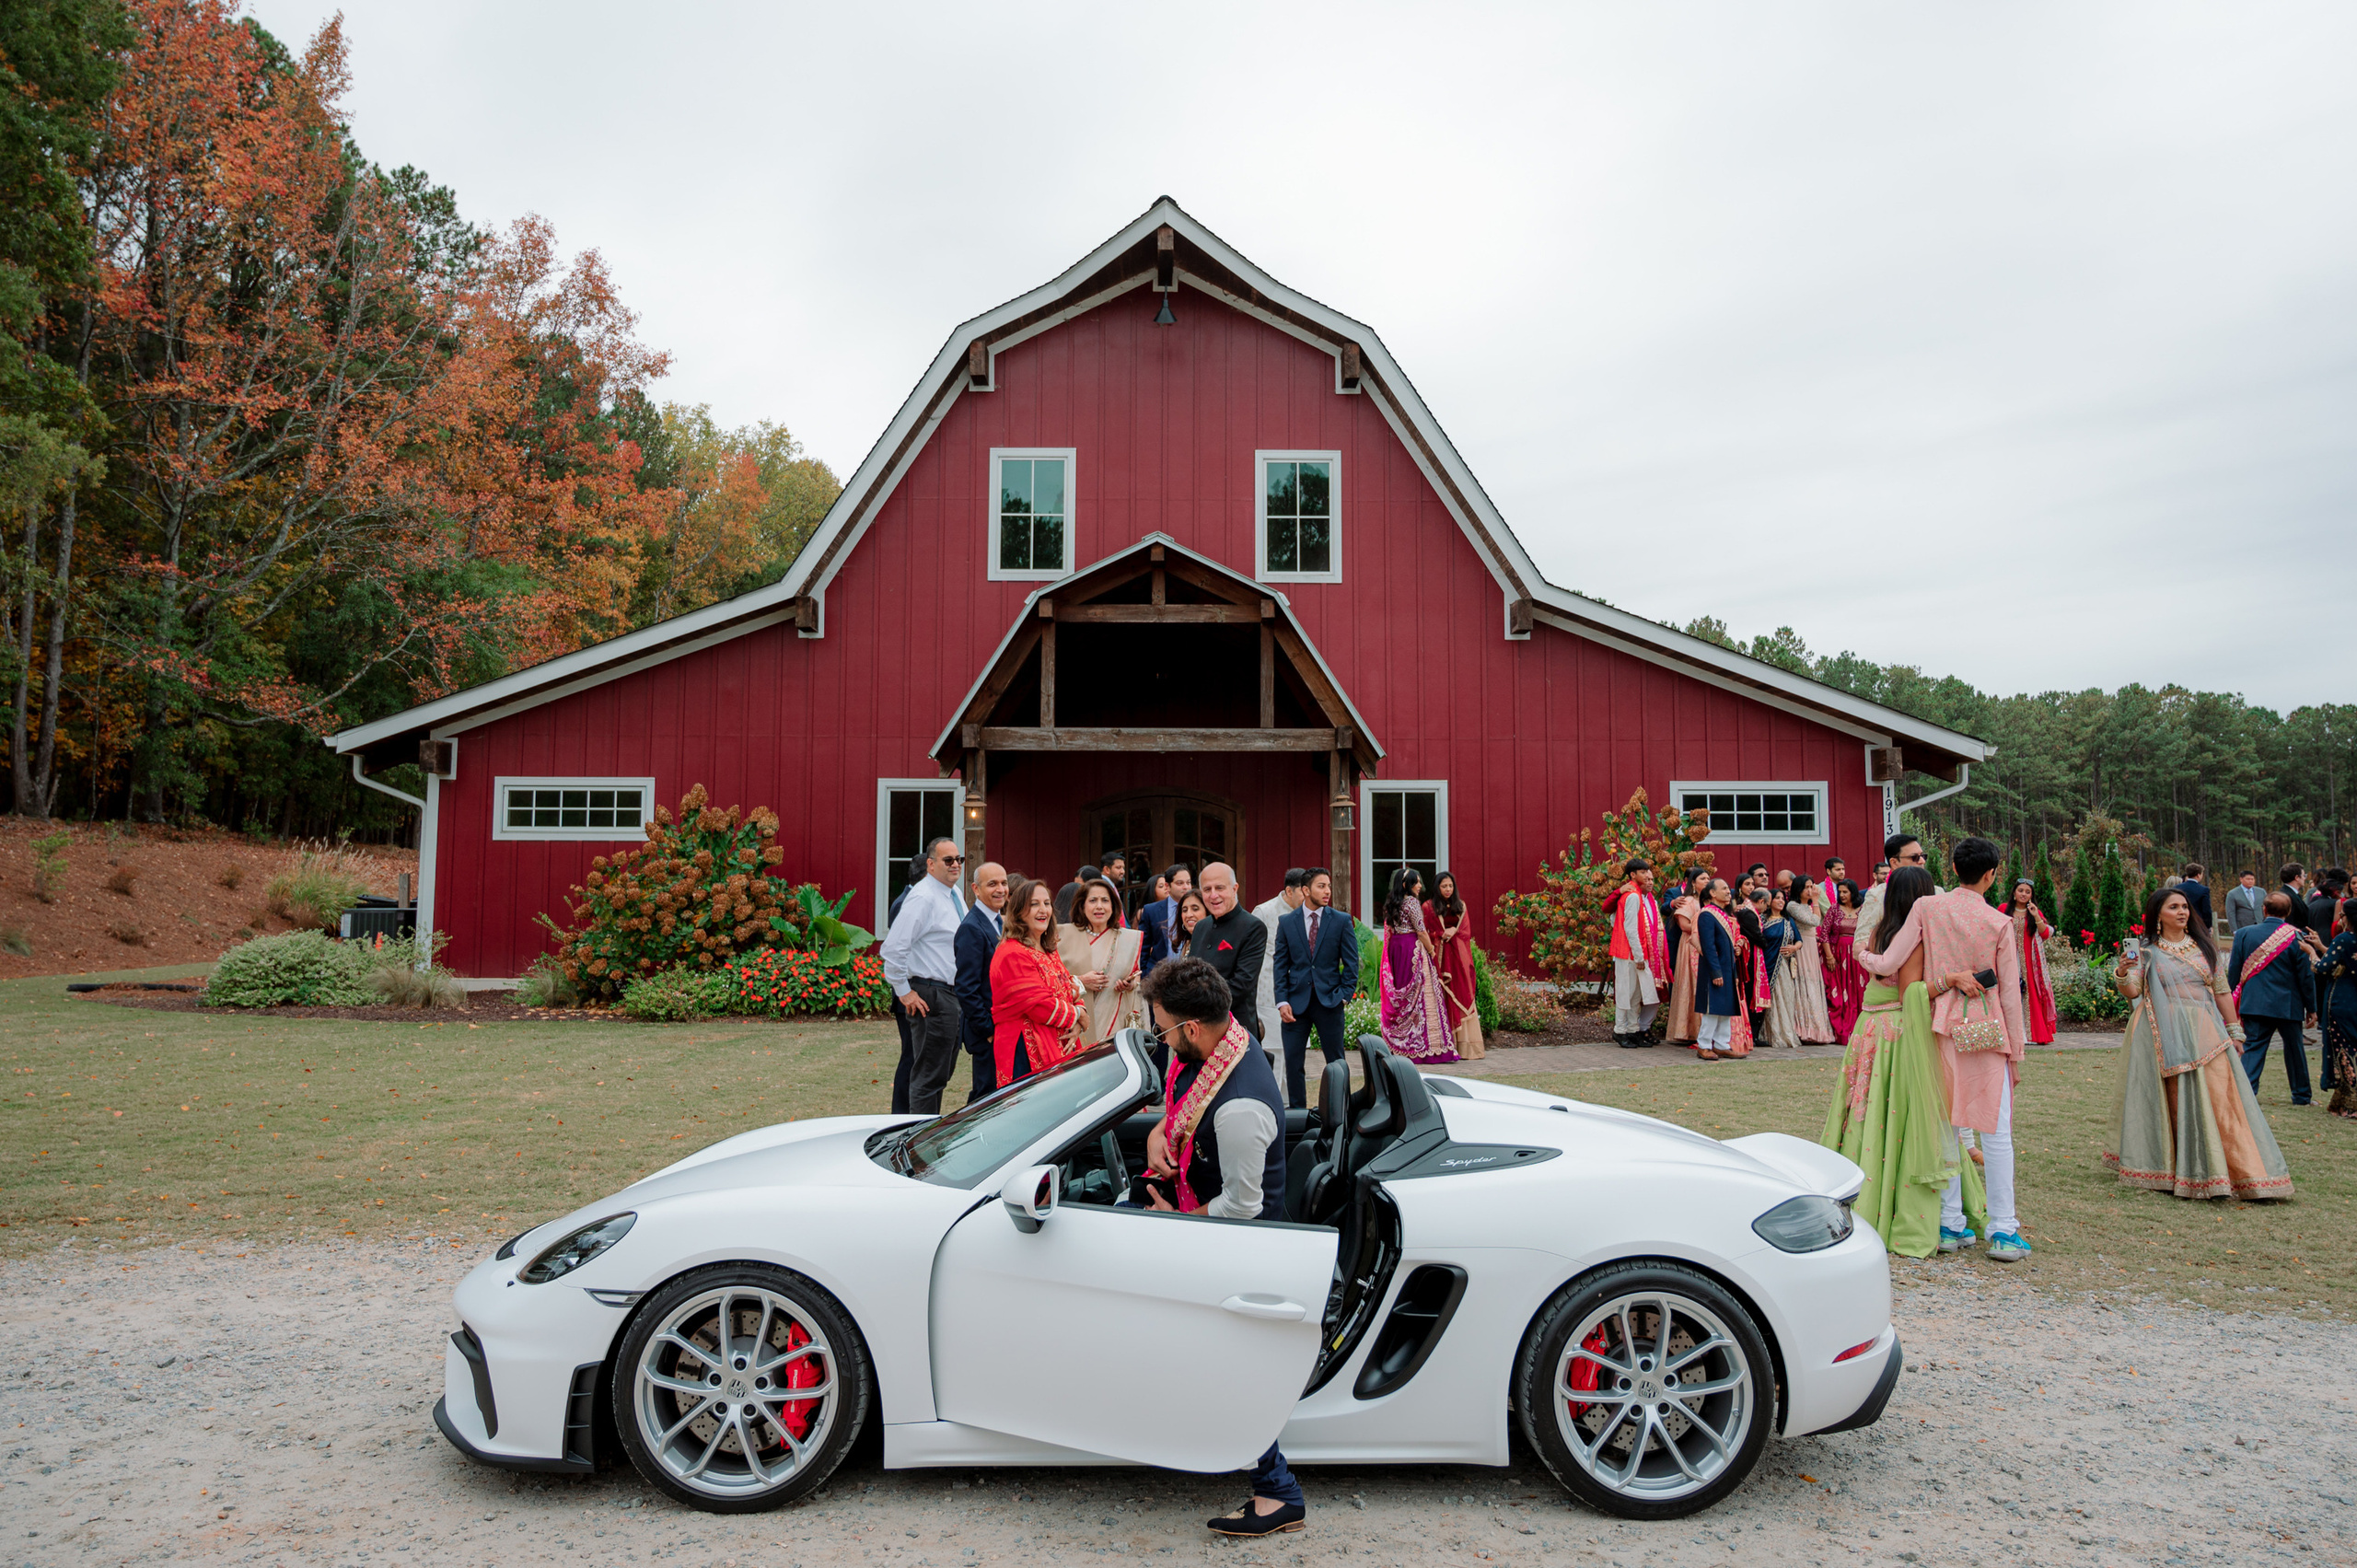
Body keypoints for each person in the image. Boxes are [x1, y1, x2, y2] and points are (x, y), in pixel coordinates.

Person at [1136, 958, 1302, 1538]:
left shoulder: (1238, 1108)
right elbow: (1184, 1106)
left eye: (1163, 1029)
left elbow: (1242, 1206)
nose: (1161, 1039)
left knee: (1226, 1365)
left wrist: (1172, 1219)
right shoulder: (1227, 1043)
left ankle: (1277, 1492)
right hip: (1208, 1221)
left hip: (1239, 1245)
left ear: (1193, 1029)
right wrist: (1161, 1132)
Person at [1858, 837, 2031, 1262]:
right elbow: (2010, 994)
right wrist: (2017, 1052)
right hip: (1987, 1029)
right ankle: (2004, 1230)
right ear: (1992, 875)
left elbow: (1889, 963)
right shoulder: (1999, 923)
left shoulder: (1927, 908)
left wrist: (1863, 954)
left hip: (1938, 1027)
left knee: (1946, 1126)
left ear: (1952, 869)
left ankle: (1950, 1222)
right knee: (1996, 1132)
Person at [2105, 884, 2293, 1201]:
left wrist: (2234, 1032)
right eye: (2174, 907)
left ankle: (2237, 1171)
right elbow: (2134, 992)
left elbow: (2221, 992)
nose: (2181, 912)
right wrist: (2123, 972)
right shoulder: (2147, 951)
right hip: (2159, 1031)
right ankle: (2172, 1169)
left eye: (2184, 907)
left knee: (2221, 1096)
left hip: (2205, 1028)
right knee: (2173, 1098)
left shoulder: (2205, 948)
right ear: (2158, 916)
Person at [1819, 864, 1968, 1257]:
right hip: (1896, 1032)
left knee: (1866, 1108)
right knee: (1899, 1112)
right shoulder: (1916, 937)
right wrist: (1948, 982)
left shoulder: (1879, 931)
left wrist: (1868, 959)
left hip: (1868, 1027)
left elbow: (1875, 967)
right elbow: (1911, 992)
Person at [879, 836, 968, 1115]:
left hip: (951, 995)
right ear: (930, 865)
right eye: (948, 860)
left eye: (959, 860)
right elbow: (893, 948)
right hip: (932, 994)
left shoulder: (953, 895)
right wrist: (904, 991)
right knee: (928, 1077)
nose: (956, 865)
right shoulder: (923, 897)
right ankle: (918, 1144)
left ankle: (926, 1136)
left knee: (940, 1073)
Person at [1274, 867, 1359, 1108]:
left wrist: (1345, 995)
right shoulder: (1287, 922)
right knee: (1293, 1062)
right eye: (1321, 886)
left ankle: (1342, 1111)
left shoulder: (1341, 921)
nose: (1327, 891)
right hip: (1295, 1005)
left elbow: (1351, 962)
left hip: (1330, 1001)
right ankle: (1299, 1115)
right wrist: (1282, 1001)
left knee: (1336, 1062)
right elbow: (1280, 964)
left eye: (1329, 886)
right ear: (1305, 890)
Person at [989, 876, 1084, 1086]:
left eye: (1046, 903)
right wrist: (1077, 1015)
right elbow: (1040, 1005)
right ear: (1019, 912)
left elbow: (1070, 986)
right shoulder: (1011, 953)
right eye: (1034, 904)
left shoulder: (1048, 949)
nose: (1043, 910)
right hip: (1025, 1046)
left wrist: (1079, 1017)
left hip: (1059, 1041)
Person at [2228, 891, 2318, 1107]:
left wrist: (2230, 1001)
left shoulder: (2243, 934)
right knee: (2295, 1051)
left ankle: (2246, 1093)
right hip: (2288, 1004)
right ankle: (2302, 1096)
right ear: (2288, 912)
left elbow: (2234, 972)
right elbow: (2305, 977)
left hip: (2254, 1002)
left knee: (2253, 1048)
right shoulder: (2297, 936)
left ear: (2264, 910)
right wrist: (2311, 1008)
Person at [1377, 866, 1458, 1064]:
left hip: (1396, 948)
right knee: (1420, 995)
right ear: (1406, 885)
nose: (1421, 885)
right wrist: (1431, 951)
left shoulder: (1391, 904)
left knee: (1402, 994)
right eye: (1417, 882)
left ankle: (1398, 1044)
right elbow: (1421, 931)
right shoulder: (1412, 903)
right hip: (1411, 948)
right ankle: (1429, 1047)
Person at [1058, 877, 1145, 1046]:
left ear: (1113, 906)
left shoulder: (1128, 939)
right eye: (1093, 900)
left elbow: (1136, 977)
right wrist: (1080, 981)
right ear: (1082, 906)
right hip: (1075, 1026)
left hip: (1115, 1025)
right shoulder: (1064, 936)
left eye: (1105, 900)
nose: (1099, 906)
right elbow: (1052, 982)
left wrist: (1129, 985)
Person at [1189, 863, 1267, 1043]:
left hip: (1235, 1030)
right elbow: (1191, 974)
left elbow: (1241, 985)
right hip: (1199, 1030)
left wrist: (1196, 1003)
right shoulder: (1201, 926)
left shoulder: (1252, 927)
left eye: (1220, 888)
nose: (1213, 895)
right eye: (1207, 889)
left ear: (1234, 889)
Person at [953, 861, 1008, 1099]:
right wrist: (988, 1030)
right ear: (976, 889)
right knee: (985, 1097)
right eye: (992, 884)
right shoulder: (971, 928)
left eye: (1004, 883)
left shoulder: (1000, 921)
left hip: (1004, 1027)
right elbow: (966, 988)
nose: (1001, 889)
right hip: (988, 1033)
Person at [885, 850, 930, 1114]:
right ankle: (901, 1113)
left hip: (913, 993)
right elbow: (898, 952)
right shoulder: (908, 903)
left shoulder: (909, 898)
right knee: (912, 1058)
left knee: (914, 1057)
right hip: (909, 995)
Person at [1251, 870, 1309, 1071]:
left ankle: (1292, 1102)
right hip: (1269, 991)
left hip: (1299, 991)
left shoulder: (1309, 913)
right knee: (1273, 1051)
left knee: (1294, 1055)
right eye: (1303, 892)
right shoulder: (1264, 912)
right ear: (1289, 891)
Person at [1608, 858, 1668, 1049]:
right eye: (1643, 873)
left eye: (1648, 873)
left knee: (1635, 994)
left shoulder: (1637, 896)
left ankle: (1633, 1029)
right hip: (1628, 953)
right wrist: (1639, 955)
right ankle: (1620, 1030)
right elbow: (1631, 928)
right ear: (1633, 875)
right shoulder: (1633, 896)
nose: (1648, 877)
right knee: (1626, 993)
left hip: (1632, 952)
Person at [1769, 877, 1835, 1047]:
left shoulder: (1808, 905)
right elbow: (1814, 921)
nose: (1810, 890)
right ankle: (1802, 1029)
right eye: (1806, 887)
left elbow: (1816, 922)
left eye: (1811, 887)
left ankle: (1817, 1029)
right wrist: (1816, 901)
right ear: (1798, 889)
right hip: (1802, 947)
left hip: (1812, 945)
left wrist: (1814, 902)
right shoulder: (1793, 906)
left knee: (1813, 983)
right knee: (1803, 984)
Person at [1426, 871, 1484, 1059]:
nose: (1448, 889)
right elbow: (1425, 932)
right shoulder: (1428, 907)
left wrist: (1453, 931)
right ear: (1437, 887)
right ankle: (1446, 1047)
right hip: (1440, 961)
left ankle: (1466, 1047)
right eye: (1444, 886)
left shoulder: (1461, 906)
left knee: (1462, 993)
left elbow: (1465, 933)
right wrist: (1441, 935)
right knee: (1443, 999)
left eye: (1450, 886)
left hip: (1458, 961)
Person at [2000, 877, 2059, 1046]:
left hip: (2029, 960)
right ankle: (2011, 1034)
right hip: (2007, 957)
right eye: (2021, 891)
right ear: (2014, 892)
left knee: (2030, 993)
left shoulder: (2034, 911)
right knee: (2009, 993)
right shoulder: (2004, 909)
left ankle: (2030, 1035)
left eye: (2027, 892)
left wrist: (2035, 915)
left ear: (2032, 895)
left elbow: (2046, 934)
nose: (2023, 894)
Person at [1694, 877, 1746, 1061]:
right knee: (1712, 1008)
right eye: (1723, 888)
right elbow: (1708, 946)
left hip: (1727, 967)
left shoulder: (1722, 913)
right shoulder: (1707, 914)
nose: (1728, 891)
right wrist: (1715, 971)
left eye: (1727, 888)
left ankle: (1723, 1044)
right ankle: (1704, 1045)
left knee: (1725, 1008)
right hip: (1713, 969)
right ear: (1712, 893)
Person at [2318, 913, 2357, 1120]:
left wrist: (2310, 953)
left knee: (2343, 1047)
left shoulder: (2343, 939)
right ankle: (2340, 1101)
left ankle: (2351, 1102)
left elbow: (2323, 967)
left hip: (2342, 999)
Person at [1824, 879, 1867, 1041]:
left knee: (1859, 990)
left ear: (1853, 893)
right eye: (1840, 892)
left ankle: (1861, 1028)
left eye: (1845, 892)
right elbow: (1824, 935)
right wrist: (1829, 957)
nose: (1841, 895)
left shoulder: (1863, 910)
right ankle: (1843, 1031)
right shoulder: (1834, 909)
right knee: (1840, 994)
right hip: (1838, 955)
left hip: (1858, 956)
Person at [1664, 877, 1703, 1046]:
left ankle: (1702, 1030)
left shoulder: (1708, 901)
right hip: (1689, 946)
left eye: (1709, 878)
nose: (1707, 881)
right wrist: (1709, 929)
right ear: (1692, 882)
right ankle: (1684, 1030)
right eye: (1703, 878)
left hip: (1706, 946)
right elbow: (1683, 924)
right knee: (1688, 985)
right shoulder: (1683, 899)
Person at [1139, 864, 1193, 972]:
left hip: (1189, 974)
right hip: (1158, 975)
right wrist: (1144, 974)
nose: (1186, 887)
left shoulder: (1200, 909)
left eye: (1188, 882)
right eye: (1180, 883)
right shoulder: (1151, 910)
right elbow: (1142, 948)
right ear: (1167, 886)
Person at [2177, 863, 2213, 942]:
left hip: (2180, 922)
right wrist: (2208, 926)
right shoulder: (2203, 890)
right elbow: (2206, 910)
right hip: (2198, 925)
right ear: (2198, 875)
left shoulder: (2177, 888)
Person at [2226, 870, 2267, 935]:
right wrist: (2234, 930)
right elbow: (2231, 913)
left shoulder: (2261, 892)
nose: (2250, 881)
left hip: (2260, 926)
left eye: (2252, 879)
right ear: (2241, 879)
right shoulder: (2232, 894)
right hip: (2243, 927)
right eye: (2248, 879)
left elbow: (2266, 908)